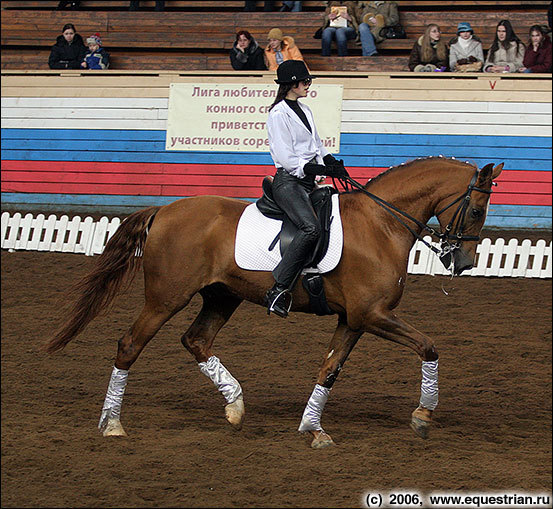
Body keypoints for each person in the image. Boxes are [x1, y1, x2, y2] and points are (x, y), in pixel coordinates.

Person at [264, 60, 348, 318]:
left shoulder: (305, 110)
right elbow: (288, 160)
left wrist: (331, 162)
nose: (308, 85)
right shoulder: (278, 115)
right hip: (288, 182)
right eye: (305, 82)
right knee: (310, 227)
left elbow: (316, 145)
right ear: (292, 84)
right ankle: (278, 288)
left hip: (308, 180)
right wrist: (319, 171)